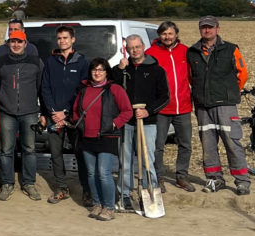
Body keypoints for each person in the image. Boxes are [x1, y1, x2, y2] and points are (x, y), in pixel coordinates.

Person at [187, 15, 251, 194]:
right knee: (208, 144)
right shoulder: (192, 51)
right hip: (203, 106)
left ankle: (242, 181)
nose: (207, 30)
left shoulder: (231, 49)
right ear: (200, 29)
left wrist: (229, 92)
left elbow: (243, 74)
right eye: (204, 27)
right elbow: (191, 77)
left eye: (210, 27)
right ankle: (214, 179)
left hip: (225, 105)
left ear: (217, 29)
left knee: (232, 142)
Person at [112, 34, 169, 210]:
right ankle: (124, 195)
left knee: (147, 160)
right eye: (131, 48)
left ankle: (149, 192)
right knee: (125, 160)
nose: (134, 50)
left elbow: (165, 97)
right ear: (127, 50)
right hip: (127, 122)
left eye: (137, 47)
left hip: (148, 123)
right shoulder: (123, 69)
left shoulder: (156, 70)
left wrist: (148, 111)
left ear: (143, 46)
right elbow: (112, 89)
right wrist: (119, 70)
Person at [72, 59, 133, 220]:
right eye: (94, 70)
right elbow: (76, 110)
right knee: (91, 173)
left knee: (103, 173)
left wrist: (114, 124)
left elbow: (127, 111)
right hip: (87, 136)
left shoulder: (115, 89)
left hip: (107, 136)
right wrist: (80, 124)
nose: (97, 73)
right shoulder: (84, 89)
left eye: (101, 70)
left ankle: (109, 207)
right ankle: (97, 203)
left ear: (107, 72)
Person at [0, 29, 44, 202]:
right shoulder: (0, 62)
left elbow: (41, 87)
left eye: (19, 41)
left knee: (29, 149)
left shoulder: (36, 62)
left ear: (25, 44)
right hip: (6, 112)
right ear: (8, 43)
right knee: (6, 150)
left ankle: (29, 183)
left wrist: (42, 111)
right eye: (13, 41)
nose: (16, 44)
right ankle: (7, 183)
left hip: (29, 112)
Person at [40, 26, 90, 205]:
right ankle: (61, 188)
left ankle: (87, 191)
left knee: (80, 153)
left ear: (73, 40)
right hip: (54, 116)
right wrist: (53, 112)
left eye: (65, 38)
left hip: (74, 117)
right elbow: (45, 88)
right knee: (56, 154)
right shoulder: (51, 62)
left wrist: (66, 112)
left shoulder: (82, 62)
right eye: (59, 38)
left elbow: (83, 91)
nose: (62, 41)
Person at [146, 21, 196, 192]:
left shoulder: (186, 51)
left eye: (170, 34)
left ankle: (182, 176)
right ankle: (158, 177)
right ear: (159, 35)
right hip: (161, 109)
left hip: (183, 107)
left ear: (176, 34)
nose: (167, 37)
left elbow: (192, 77)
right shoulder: (151, 53)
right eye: (164, 34)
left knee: (185, 144)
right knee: (158, 146)